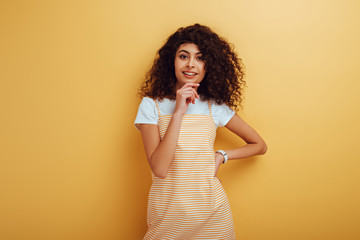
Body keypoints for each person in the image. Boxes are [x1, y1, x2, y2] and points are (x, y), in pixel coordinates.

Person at [134, 23, 267, 239]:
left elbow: (259, 145)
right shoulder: (151, 105)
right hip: (168, 218)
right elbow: (159, 168)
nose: (191, 64)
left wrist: (221, 156)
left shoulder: (213, 106)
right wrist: (179, 111)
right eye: (183, 56)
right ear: (172, 61)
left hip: (213, 217)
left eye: (200, 57)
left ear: (208, 65)